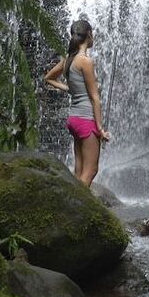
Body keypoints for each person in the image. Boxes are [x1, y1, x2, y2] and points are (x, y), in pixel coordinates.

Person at [44, 19, 110, 186]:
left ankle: (72, 205)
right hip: (87, 120)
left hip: (74, 120)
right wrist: (100, 129)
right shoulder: (85, 61)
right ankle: (78, 209)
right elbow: (95, 98)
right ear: (89, 35)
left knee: (79, 170)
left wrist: (70, 89)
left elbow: (48, 78)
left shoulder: (68, 60)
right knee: (90, 171)